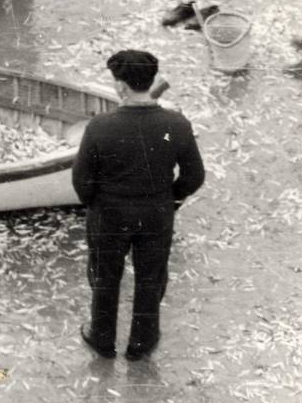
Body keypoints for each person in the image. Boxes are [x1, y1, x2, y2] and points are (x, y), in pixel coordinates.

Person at [72, 51, 204, 360]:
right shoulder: (177, 124)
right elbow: (194, 175)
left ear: (120, 87)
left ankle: (102, 339)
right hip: (156, 213)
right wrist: (171, 199)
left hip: (109, 214)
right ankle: (142, 342)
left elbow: (81, 181)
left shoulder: (99, 127)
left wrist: (96, 204)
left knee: (104, 276)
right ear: (152, 81)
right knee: (150, 277)